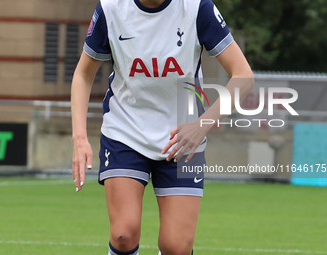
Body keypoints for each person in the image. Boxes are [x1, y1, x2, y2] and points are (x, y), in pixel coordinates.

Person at [71, 0, 254, 254]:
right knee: (124, 233)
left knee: (176, 247)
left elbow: (243, 76)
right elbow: (83, 74)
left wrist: (201, 125)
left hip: (183, 138)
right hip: (125, 131)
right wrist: (80, 138)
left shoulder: (197, 8)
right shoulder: (111, 8)